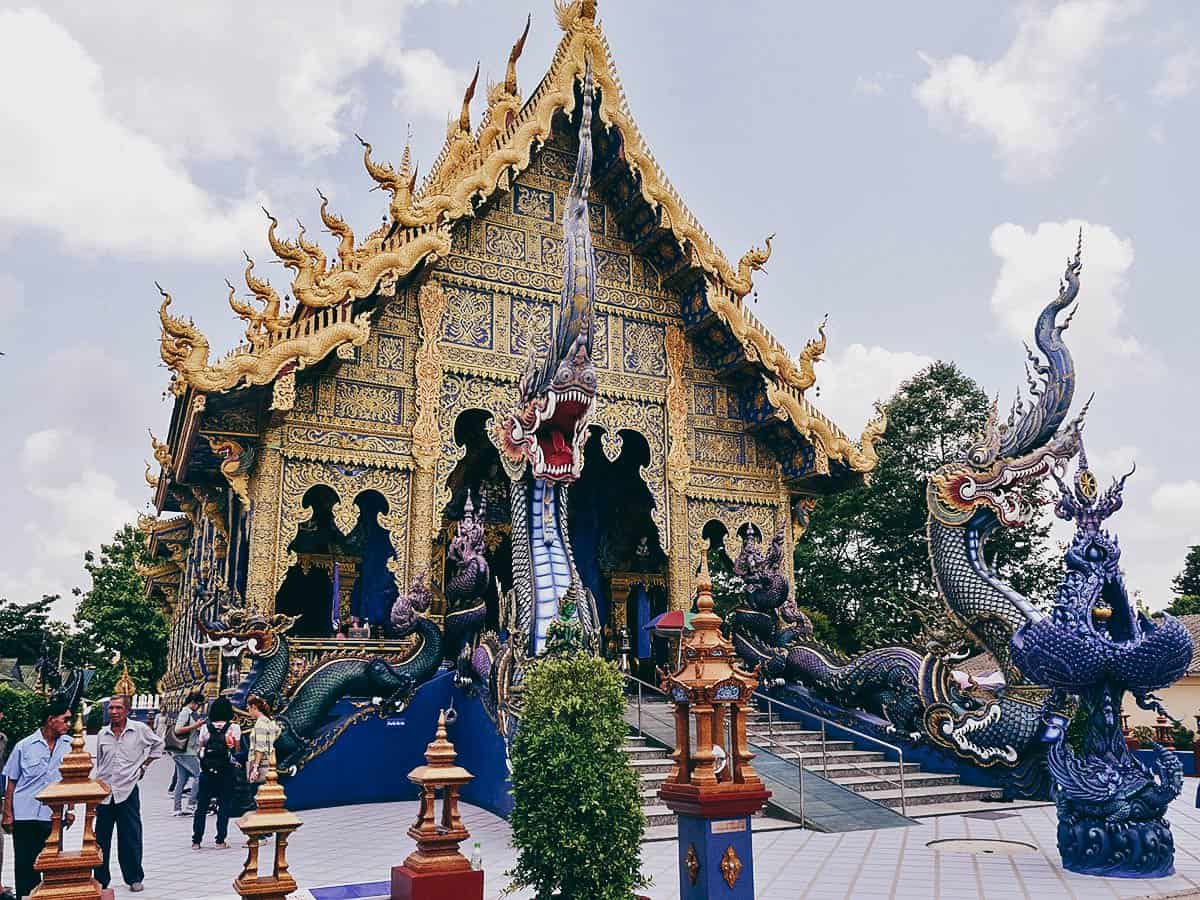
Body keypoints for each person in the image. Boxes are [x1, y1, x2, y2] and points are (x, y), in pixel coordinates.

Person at [1, 698, 72, 900]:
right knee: (25, 865)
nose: (68, 724)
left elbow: (73, 779)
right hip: (25, 814)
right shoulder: (24, 746)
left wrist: (71, 809)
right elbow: (11, 782)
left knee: (52, 864)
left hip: (54, 815)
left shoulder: (69, 746)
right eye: (64, 720)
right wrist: (7, 814)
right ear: (51, 720)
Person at [93, 694, 164, 894]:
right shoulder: (102, 733)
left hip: (127, 790)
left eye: (118, 708)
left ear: (127, 711)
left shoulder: (139, 730)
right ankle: (101, 878)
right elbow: (100, 762)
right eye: (111, 708)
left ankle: (134, 877)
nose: (114, 712)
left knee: (130, 836)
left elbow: (159, 744)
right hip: (105, 792)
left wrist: (144, 765)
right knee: (100, 838)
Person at [191, 696, 241, 850]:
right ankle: (220, 840)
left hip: (207, 771)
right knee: (223, 805)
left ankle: (196, 841)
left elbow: (201, 747)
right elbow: (236, 750)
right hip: (226, 771)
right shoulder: (234, 728)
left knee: (202, 806)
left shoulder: (206, 727)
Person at [171, 692, 206, 817]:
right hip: (186, 751)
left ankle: (177, 808)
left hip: (181, 751)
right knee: (199, 775)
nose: (199, 707)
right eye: (199, 704)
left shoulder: (189, 713)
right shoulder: (185, 712)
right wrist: (195, 726)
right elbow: (178, 729)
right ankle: (191, 805)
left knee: (182, 779)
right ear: (194, 703)